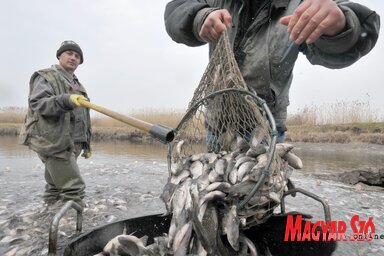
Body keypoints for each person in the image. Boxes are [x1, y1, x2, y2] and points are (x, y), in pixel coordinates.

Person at [164, 0, 380, 142]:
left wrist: (340, 26)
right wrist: (200, 17)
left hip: (267, 132)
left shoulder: (301, 4)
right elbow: (177, 10)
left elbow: (355, 37)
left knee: (258, 204)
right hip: (217, 127)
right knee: (216, 201)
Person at [19, 40, 92, 209]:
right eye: (69, 53)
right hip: (54, 142)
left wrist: (86, 144)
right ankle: (75, 227)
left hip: (72, 143)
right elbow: (39, 104)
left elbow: (83, 118)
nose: (73, 58)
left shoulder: (78, 85)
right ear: (59, 55)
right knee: (74, 190)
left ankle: (48, 218)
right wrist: (65, 100)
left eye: (77, 56)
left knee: (55, 187)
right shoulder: (46, 76)